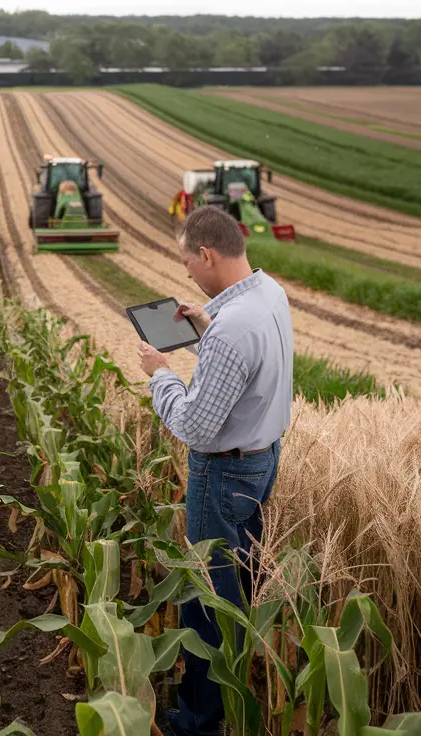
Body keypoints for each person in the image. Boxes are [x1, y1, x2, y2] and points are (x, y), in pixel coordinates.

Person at [136, 205, 293, 736]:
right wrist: (204, 326)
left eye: (187, 262)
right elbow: (243, 368)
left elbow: (196, 428)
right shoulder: (268, 293)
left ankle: (200, 720)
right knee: (241, 585)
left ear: (206, 254)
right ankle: (235, 692)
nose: (186, 273)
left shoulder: (232, 330)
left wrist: (161, 375)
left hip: (222, 475)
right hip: (262, 461)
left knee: (208, 604)